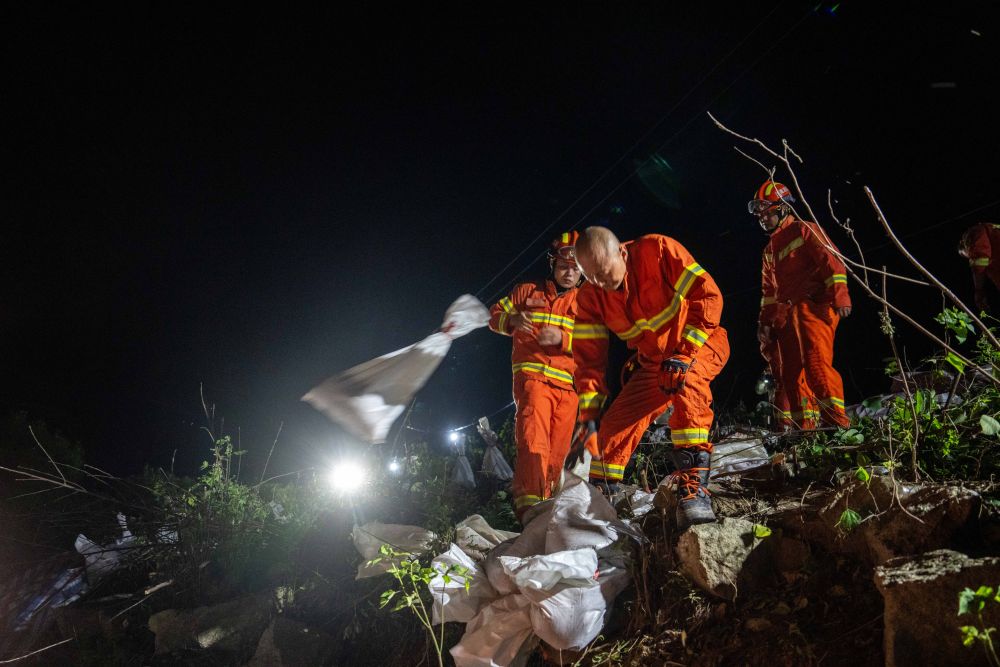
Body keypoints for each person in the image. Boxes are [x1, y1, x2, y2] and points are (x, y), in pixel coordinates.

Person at [570, 226, 730, 529]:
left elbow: (708, 296)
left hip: (699, 345)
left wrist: (684, 353)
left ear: (621, 252)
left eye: (604, 272)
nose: (602, 283)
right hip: (655, 365)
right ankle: (602, 498)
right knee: (614, 426)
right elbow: (589, 359)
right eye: (592, 278)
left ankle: (694, 491)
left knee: (688, 386)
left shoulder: (656, 251)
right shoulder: (591, 297)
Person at [488, 232, 582, 522]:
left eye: (576, 268)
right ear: (553, 264)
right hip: (533, 379)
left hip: (568, 387)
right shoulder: (526, 291)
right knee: (533, 443)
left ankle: (550, 512)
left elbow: (595, 343)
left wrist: (564, 338)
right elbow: (493, 316)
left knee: (558, 454)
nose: (570, 273)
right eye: (565, 266)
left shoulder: (589, 303)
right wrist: (512, 320)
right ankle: (529, 512)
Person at [752, 180, 851, 430]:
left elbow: (832, 261)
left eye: (768, 212)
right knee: (790, 375)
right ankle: (804, 431)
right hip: (789, 314)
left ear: (784, 208)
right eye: (760, 215)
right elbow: (769, 292)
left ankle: (837, 426)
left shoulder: (804, 230)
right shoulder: (768, 251)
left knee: (816, 364)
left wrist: (840, 295)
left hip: (815, 305)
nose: (763, 218)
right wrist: (765, 322)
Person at [957, 223, 1000, 312]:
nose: (970, 257)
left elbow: (980, 260)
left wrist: (979, 292)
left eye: (968, 256)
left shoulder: (973, 233)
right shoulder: (992, 231)